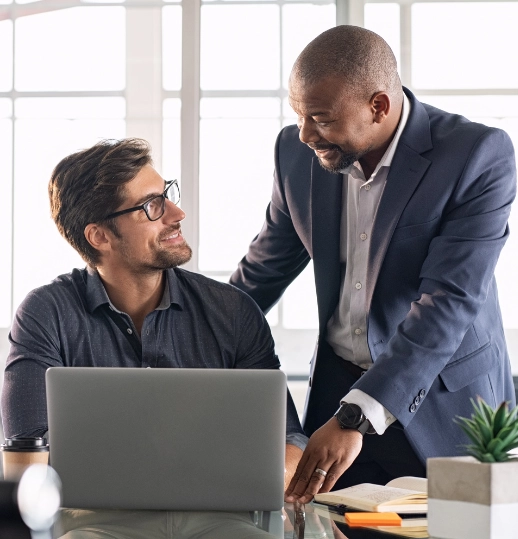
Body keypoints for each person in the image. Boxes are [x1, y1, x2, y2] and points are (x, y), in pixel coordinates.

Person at [230, 25, 517, 502]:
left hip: (444, 402)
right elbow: (261, 272)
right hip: (334, 394)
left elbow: (449, 300)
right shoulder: (295, 154)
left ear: (378, 106)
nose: (304, 134)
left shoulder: (476, 155)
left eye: (319, 118)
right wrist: (181, 330)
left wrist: (357, 416)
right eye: (299, 115)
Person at [1, 138, 307, 486]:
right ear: (99, 236)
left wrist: (269, 476)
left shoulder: (233, 311)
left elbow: (289, 441)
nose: (177, 215)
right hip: (92, 525)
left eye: (167, 195)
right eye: (151, 206)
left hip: (216, 518)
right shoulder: (45, 315)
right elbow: (27, 452)